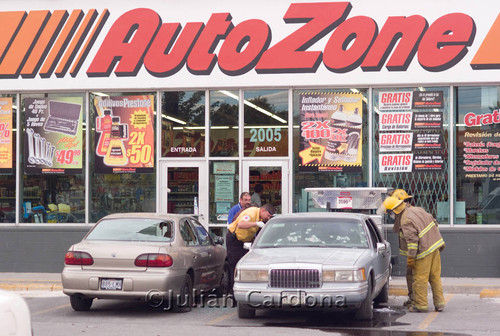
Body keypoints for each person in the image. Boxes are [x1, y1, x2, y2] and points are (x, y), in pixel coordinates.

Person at [383, 196, 445, 313]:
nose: (390, 216)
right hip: (434, 247)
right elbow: (434, 222)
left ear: (394, 211)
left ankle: (420, 305)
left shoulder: (405, 220)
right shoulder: (417, 209)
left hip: (423, 251)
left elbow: (412, 242)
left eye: (389, 213)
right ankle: (440, 303)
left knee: (419, 278)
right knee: (434, 276)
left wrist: (411, 257)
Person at [226, 203, 275, 293]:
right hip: (234, 239)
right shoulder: (251, 213)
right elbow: (241, 224)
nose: (268, 218)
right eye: (268, 215)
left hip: (243, 241)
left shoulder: (261, 217)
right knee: (234, 265)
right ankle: (231, 292)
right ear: (263, 210)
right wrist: (256, 223)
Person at [391, 188, 414, 306]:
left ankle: (416, 301)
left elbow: (412, 237)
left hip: (415, 252)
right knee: (410, 275)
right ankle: (413, 299)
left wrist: (411, 256)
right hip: (412, 252)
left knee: (415, 276)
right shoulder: (402, 213)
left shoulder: (408, 215)